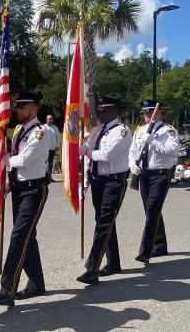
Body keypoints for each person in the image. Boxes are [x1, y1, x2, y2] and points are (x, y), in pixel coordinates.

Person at [0, 92, 52, 307]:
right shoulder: (19, 131)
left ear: (34, 108)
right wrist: (5, 185)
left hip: (34, 190)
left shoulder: (40, 133)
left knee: (19, 237)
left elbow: (25, 159)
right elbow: (17, 164)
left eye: (23, 107)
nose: (18, 110)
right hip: (18, 189)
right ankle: (37, 283)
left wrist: (2, 159)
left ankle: (7, 289)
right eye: (18, 107)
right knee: (27, 237)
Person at [77, 95, 132, 284]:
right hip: (97, 181)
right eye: (99, 110)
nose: (100, 113)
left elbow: (107, 155)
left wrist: (87, 151)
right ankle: (113, 262)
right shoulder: (97, 130)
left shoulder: (122, 131)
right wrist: (83, 180)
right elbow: (87, 156)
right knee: (104, 222)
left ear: (114, 111)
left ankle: (92, 268)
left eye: (104, 110)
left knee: (104, 222)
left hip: (114, 181)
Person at [128, 99, 179, 264]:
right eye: (145, 112)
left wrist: (153, 142)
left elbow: (173, 152)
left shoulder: (169, 131)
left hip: (160, 175)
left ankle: (145, 251)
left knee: (152, 211)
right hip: (144, 175)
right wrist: (132, 165)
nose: (147, 115)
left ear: (159, 113)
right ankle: (160, 245)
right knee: (152, 211)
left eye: (150, 112)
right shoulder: (140, 130)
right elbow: (132, 151)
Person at [44, 114, 60, 181]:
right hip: (44, 148)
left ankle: (49, 177)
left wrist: (57, 146)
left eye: (51, 119)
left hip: (52, 148)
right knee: (43, 163)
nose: (50, 120)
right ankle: (43, 177)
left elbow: (57, 138)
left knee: (50, 163)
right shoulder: (43, 127)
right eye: (48, 119)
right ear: (46, 120)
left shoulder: (55, 128)